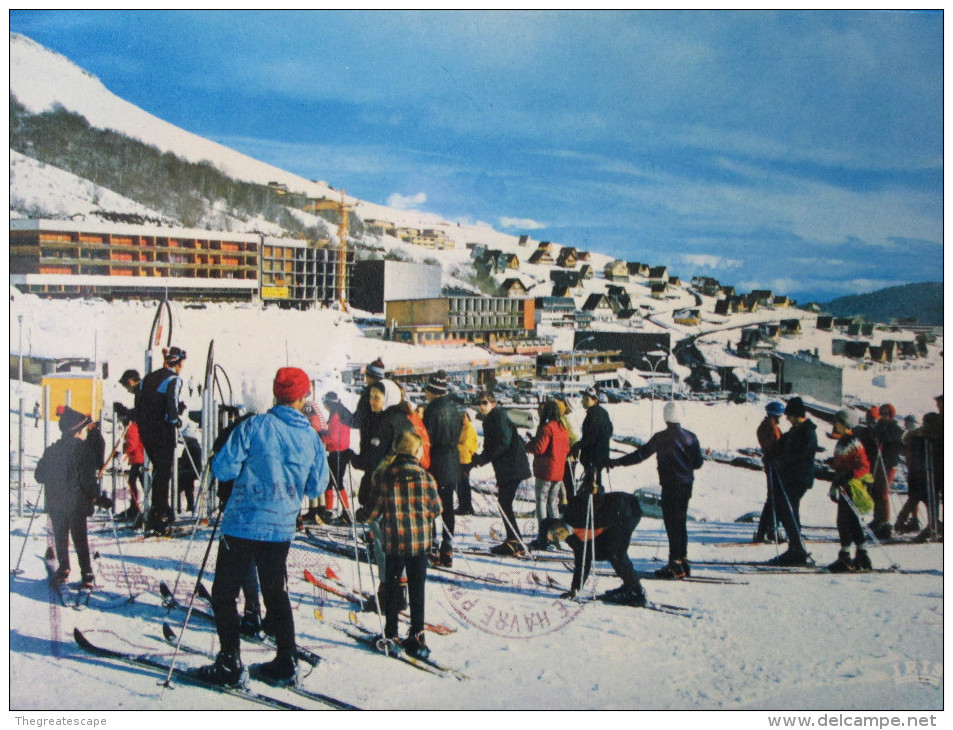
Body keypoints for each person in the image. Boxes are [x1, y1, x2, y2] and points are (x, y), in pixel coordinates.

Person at [198, 367, 329, 687]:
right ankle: (286, 661)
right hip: (281, 527)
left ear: (275, 394)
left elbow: (223, 468)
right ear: (303, 397)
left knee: (224, 592)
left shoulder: (256, 426)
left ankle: (229, 663)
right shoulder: (310, 436)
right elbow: (316, 487)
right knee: (276, 591)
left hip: (244, 522)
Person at [361, 430, 442, 659]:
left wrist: (362, 515)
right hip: (419, 544)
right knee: (418, 587)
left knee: (393, 585)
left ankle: (391, 633)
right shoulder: (426, 478)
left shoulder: (386, 476)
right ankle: (417, 636)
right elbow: (436, 509)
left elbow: (374, 511)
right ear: (416, 451)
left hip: (394, 543)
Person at [606, 401, 703, 579]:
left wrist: (616, 462)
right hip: (686, 485)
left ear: (665, 418)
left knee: (672, 525)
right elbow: (698, 463)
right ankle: (683, 561)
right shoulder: (691, 437)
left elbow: (639, 455)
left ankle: (675, 566)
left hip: (670, 486)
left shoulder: (661, 437)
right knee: (680, 523)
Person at [540, 492, 647, 607]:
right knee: (606, 552)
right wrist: (575, 588)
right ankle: (629, 586)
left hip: (626, 508)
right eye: (553, 538)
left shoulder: (573, 511)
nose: (558, 535)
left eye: (553, 531)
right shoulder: (573, 540)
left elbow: (591, 496)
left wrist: (592, 490)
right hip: (615, 518)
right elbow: (583, 561)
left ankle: (635, 591)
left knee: (615, 551)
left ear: (556, 522)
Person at [34, 406, 101, 589]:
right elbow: (87, 481)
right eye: (84, 430)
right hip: (76, 504)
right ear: (77, 431)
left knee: (60, 537)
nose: (85, 433)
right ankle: (87, 574)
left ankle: (64, 568)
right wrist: (97, 497)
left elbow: (39, 476)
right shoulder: (84, 451)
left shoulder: (51, 450)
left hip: (56, 503)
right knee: (80, 538)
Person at [472, 391, 532, 556]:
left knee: (504, 503)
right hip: (508, 468)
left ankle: (515, 541)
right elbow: (491, 445)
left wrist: (484, 458)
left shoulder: (497, 416)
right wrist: (480, 459)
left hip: (512, 467)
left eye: (485, 402)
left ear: (493, 403)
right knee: (504, 504)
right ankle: (514, 540)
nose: (481, 406)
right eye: (480, 403)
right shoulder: (491, 419)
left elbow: (503, 442)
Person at [137, 346, 187, 534]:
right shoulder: (174, 379)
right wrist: (176, 419)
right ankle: (161, 514)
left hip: (146, 430)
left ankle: (159, 510)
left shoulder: (147, 378)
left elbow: (140, 402)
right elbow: (171, 404)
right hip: (163, 431)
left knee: (158, 469)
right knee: (163, 471)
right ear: (178, 363)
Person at [768, 397, 818, 567]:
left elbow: (800, 455)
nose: (786, 418)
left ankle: (797, 549)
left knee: (788, 510)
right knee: (787, 510)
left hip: (798, 478)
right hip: (789, 477)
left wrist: (782, 461)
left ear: (796, 414)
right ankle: (795, 547)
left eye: (788, 415)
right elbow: (781, 445)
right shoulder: (796, 430)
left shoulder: (807, 432)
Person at [422, 372, 463, 567]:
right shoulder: (455, 409)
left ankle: (432, 545)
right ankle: (447, 548)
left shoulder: (432, 410)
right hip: (453, 462)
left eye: (426, 390)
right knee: (448, 508)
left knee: (431, 506)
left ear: (432, 391)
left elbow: (426, 438)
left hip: (435, 462)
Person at [826, 410, 874, 572]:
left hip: (853, 486)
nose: (834, 424)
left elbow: (864, 466)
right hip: (845, 485)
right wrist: (835, 484)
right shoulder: (843, 442)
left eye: (837, 421)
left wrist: (849, 475)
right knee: (851, 521)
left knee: (844, 521)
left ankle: (846, 556)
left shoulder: (852, 442)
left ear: (844, 423)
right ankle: (862, 554)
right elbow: (840, 467)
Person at [354, 379, 413, 511]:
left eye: (376, 397)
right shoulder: (403, 418)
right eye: (370, 397)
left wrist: (355, 459)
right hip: (402, 484)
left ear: (388, 398)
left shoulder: (384, 422)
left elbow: (374, 458)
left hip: (383, 485)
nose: (371, 401)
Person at [525, 399, 571, 550]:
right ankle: (557, 535)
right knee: (553, 503)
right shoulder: (563, 428)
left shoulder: (547, 428)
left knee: (541, 502)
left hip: (545, 470)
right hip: (559, 471)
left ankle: (543, 536)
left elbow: (540, 448)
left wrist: (529, 444)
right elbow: (566, 449)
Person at [313, 391, 355, 525]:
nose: (325, 407)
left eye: (325, 404)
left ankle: (333, 511)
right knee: (336, 481)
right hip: (342, 450)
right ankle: (342, 511)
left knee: (332, 482)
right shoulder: (342, 411)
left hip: (336, 451)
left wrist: (321, 436)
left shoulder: (336, 415)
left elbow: (332, 436)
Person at [753, 401, 786, 544]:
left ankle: (764, 531)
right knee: (775, 498)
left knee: (772, 497)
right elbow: (776, 447)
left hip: (770, 463)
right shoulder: (771, 428)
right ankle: (771, 530)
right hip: (775, 464)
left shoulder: (764, 426)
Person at [569, 387, 613, 495]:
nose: (583, 401)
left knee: (591, 486)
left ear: (595, 400)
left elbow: (592, 436)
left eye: (587, 399)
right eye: (583, 399)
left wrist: (579, 445)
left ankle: (590, 507)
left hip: (592, 457)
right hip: (601, 457)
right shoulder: (603, 413)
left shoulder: (593, 415)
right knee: (595, 482)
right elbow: (609, 431)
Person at [869, 403, 904, 539]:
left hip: (889, 464)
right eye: (882, 413)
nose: (884, 416)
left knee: (883, 491)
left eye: (887, 414)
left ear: (891, 415)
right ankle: (878, 518)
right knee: (876, 491)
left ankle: (885, 521)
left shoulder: (895, 428)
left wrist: (884, 435)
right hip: (879, 462)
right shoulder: (879, 426)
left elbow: (895, 440)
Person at [894, 414, 929, 534]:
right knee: (916, 498)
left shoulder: (917, 436)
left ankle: (901, 521)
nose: (907, 425)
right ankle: (913, 521)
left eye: (909, 422)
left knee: (915, 498)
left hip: (918, 471)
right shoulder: (910, 436)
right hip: (914, 470)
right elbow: (905, 451)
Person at [116, 412, 144, 521]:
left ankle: (135, 507)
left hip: (138, 459)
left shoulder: (132, 427)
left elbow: (132, 444)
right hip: (138, 458)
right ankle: (134, 506)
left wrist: (123, 450)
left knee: (134, 482)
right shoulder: (132, 427)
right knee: (136, 482)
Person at [553, 395, 579, 505]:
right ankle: (566, 502)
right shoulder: (564, 418)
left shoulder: (566, 418)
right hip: (568, 454)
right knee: (566, 481)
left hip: (568, 455)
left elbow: (573, 437)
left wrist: (572, 451)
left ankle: (568, 503)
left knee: (566, 481)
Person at [353, 358, 386, 431]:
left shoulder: (368, 394)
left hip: (370, 436)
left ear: (370, 377)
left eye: (366, 376)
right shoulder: (389, 392)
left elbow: (357, 421)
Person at [456, 410, 478, 516]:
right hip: (460, 460)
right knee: (461, 485)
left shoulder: (469, 429)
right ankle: (464, 506)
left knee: (463, 485)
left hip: (465, 460)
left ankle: (466, 507)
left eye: (465, 416)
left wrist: (454, 446)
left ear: (469, 418)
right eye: (462, 416)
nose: (462, 418)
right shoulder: (462, 428)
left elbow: (466, 446)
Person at [176, 429, 202, 513]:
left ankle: (178, 508)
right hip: (194, 470)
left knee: (178, 487)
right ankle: (190, 506)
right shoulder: (194, 445)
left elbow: (185, 460)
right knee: (188, 488)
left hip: (191, 470)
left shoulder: (191, 447)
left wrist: (178, 463)